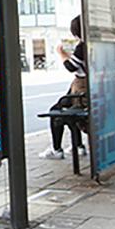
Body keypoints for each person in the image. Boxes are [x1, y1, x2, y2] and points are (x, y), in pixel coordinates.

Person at [40, 16, 88, 159]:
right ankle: (78, 146)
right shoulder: (92, 45)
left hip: (83, 93)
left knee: (56, 112)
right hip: (86, 91)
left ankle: (57, 150)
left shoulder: (82, 46)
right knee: (64, 106)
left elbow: (71, 67)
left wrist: (61, 54)